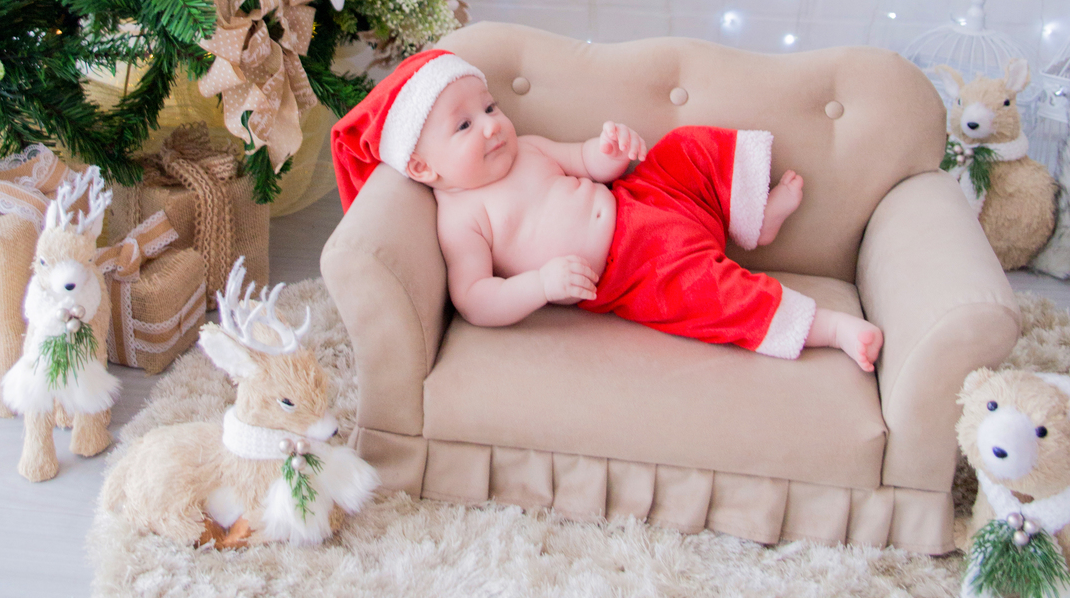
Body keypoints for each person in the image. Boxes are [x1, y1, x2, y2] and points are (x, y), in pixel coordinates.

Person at [330, 50, 883, 370]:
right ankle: (830, 329)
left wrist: (610, 149)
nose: (494, 125)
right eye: (465, 125)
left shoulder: (528, 147)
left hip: (642, 200)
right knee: (712, 296)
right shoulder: (460, 220)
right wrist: (542, 284)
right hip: (631, 271)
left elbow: (587, 162)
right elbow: (474, 299)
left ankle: (752, 221)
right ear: (424, 168)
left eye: (491, 106)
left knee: (686, 146)